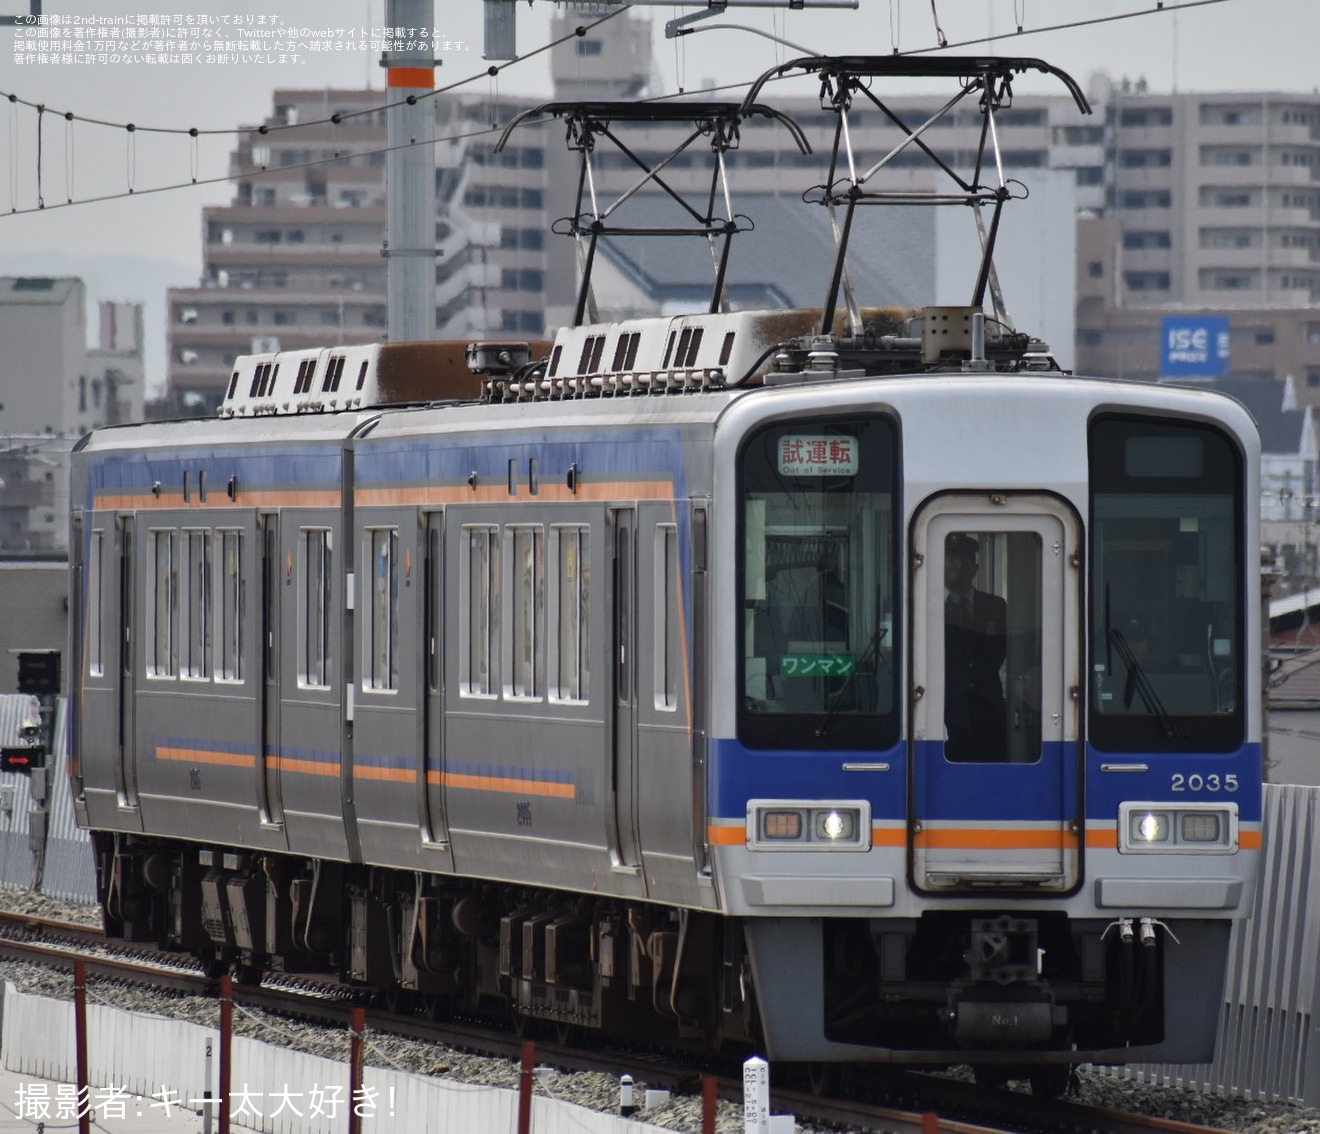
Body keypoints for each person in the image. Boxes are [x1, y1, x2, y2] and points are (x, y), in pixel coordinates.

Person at [943, 533, 1008, 761]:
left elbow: (1000, 652)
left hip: (989, 708)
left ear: (975, 568)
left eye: (964, 559)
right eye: (950, 559)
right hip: (945, 710)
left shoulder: (996, 606)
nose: (956, 565)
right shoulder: (926, 606)